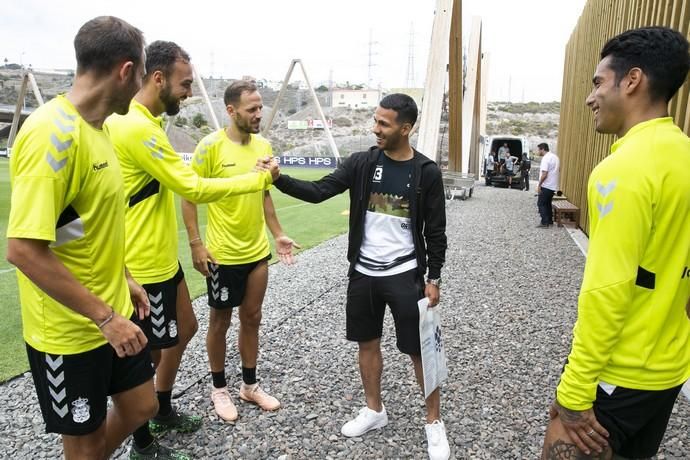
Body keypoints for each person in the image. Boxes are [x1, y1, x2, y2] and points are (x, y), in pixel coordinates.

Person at [105, 42, 278, 458]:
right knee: (145, 354)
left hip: (164, 258)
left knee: (185, 327)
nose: (189, 92)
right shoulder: (136, 127)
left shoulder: (148, 122)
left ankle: (161, 408)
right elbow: (193, 188)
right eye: (185, 84)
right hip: (142, 262)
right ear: (158, 77)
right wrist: (257, 182)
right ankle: (142, 441)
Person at [5, 16, 160, 459]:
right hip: (69, 331)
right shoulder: (51, 135)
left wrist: (124, 277)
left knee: (142, 405)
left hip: (113, 310)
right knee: (85, 442)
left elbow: (83, 225)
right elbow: (23, 250)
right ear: (126, 71)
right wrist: (105, 317)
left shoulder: (102, 128)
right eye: (140, 77)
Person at [270, 93, 450, 460]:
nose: (375, 128)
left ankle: (433, 422)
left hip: (405, 274)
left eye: (384, 123)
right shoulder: (363, 163)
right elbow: (319, 191)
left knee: (419, 351)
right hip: (363, 273)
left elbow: (436, 231)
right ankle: (374, 410)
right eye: (375, 120)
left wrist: (434, 277)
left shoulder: (426, 172)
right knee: (366, 343)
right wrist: (278, 179)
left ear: (405, 127)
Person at [542, 26, 690, 459]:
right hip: (668, 372)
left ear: (632, 81)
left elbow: (607, 291)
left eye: (597, 83)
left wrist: (573, 392)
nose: (590, 98)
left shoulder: (621, 169)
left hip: (617, 374)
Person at [181, 80, 297, 423]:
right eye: (252, 109)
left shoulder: (263, 144)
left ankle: (249, 385)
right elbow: (188, 196)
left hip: (256, 253)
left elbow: (264, 194)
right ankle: (219, 389)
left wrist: (277, 234)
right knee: (220, 322)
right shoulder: (209, 147)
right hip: (222, 255)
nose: (258, 114)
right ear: (231, 111)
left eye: (260, 107)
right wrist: (196, 244)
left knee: (253, 318)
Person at [536, 143, 559, 227]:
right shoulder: (555, 157)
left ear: (542, 149)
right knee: (548, 203)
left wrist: (539, 185)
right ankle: (550, 220)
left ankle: (544, 222)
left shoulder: (546, 158)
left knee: (541, 203)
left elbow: (544, 173)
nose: (538, 151)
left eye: (538, 149)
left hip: (546, 185)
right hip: (553, 186)